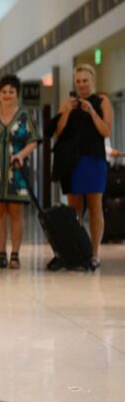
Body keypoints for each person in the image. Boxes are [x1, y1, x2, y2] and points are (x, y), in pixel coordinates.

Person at [0, 75, 40, 269]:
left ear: (17, 94)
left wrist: (21, 154)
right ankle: (1, 255)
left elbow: (33, 141)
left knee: (16, 214)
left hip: (18, 173)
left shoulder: (24, 116)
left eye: (11, 92)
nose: (7, 95)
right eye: (4, 92)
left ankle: (15, 255)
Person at [52, 64, 114, 269]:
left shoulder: (102, 101)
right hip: (72, 161)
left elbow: (105, 131)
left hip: (94, 159)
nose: (81, 85)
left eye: (85, 81)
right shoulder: (68, 103)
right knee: (74, 209)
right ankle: (77, 251)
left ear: (93, 81)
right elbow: (58, 133)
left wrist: (92, 112)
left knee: (95, 206)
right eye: (78, 81)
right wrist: (67, 112)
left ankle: (95, 253)